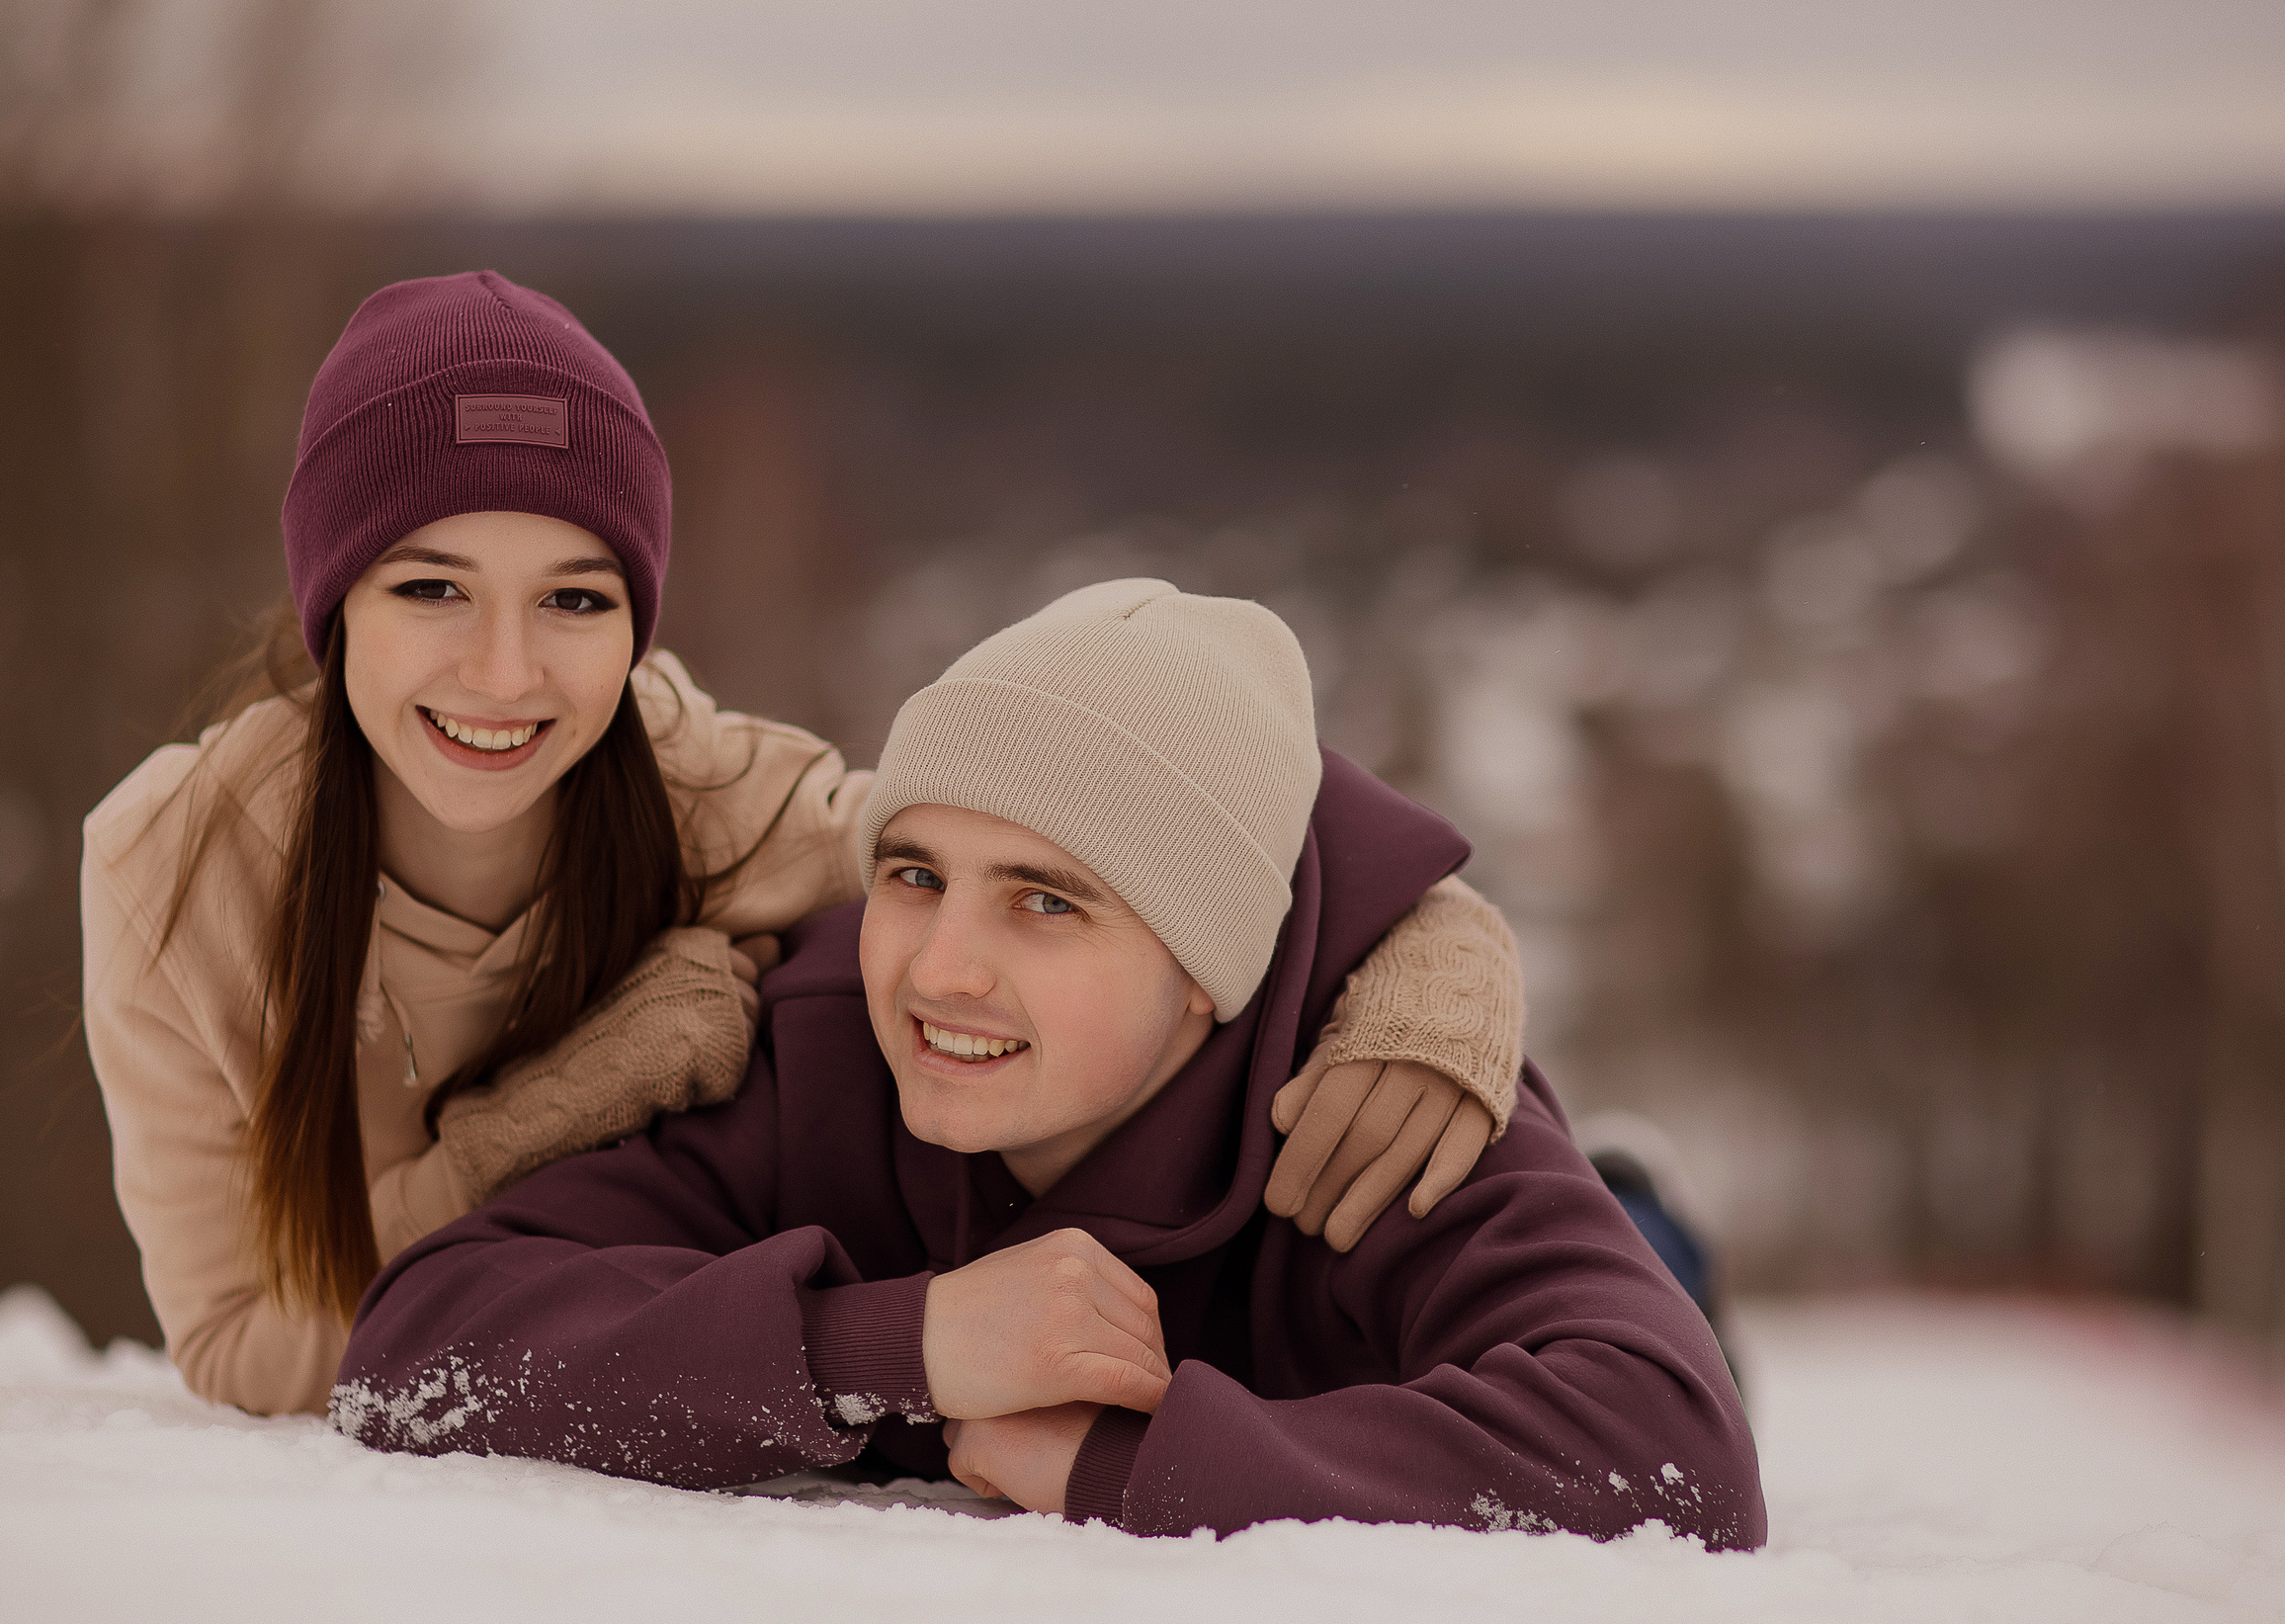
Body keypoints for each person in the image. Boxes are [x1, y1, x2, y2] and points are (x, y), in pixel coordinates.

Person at [81, 274, 1533, 1417]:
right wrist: (540, 1129)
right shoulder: (178, 875)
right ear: (335, 603)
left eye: (578, 601)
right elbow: (234, 1342)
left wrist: (1438, 947)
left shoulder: (717, 801)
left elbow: (1124, 810)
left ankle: (1646, 1220)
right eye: (433, 588)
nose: (507, 673)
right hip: (648, 1354)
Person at [331, 579, 1765, 1545]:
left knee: (1637, 1251)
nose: (941, 967)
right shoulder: (826, 1048)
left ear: (1207, 971)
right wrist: (888, 1345)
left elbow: (1675, 1454)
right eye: (912, 872)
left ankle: (1638, 1203)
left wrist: (1119, 1466)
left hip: (1493, 1281)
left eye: (1047, 901)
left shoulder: (1383, 1109)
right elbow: (416, 1353)